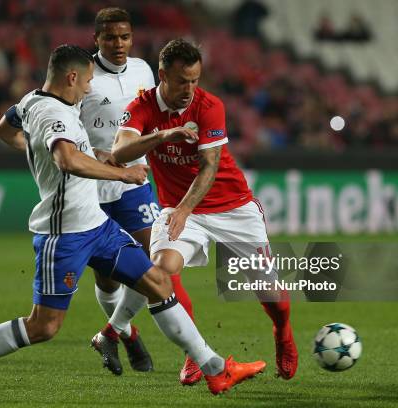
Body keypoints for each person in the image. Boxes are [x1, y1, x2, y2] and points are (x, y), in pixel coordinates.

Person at [0, 44, 265, 403]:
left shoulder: (32, 101)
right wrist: (123, 173)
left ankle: (214, 369)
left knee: (159, 283)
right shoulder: (56, 115)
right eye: (86, 80)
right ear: (71, 78)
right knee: (43, 326)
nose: (89, 87)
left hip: (97, 226)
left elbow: (4, 129)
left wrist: (49, 150)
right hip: (65, 232)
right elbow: (67, 159)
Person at [105, 38, 298, 385]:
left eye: (195, 80)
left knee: (273, 296)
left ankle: (282, 331)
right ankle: (196, 355)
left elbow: (208, 167)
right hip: (179, 209)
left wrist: (182, 210)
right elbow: (119, 150)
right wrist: (163, 136)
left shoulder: (209, 106)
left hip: (232, 207)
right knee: (161, 273)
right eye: (182, 81)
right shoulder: (143, 105)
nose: (189, 89)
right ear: (162, 75)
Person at [80, 7, 168, 374]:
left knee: (151, 259)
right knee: (107, 275)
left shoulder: (143, 70)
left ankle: (111, 331)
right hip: (90, 184)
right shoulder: (81, 75)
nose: (119, 44)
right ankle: (129, 334)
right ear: (97, 39)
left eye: (125, 37)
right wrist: (95, 152)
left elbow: (150, 119)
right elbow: (64, 125)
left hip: (134, 180)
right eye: (111, 37)